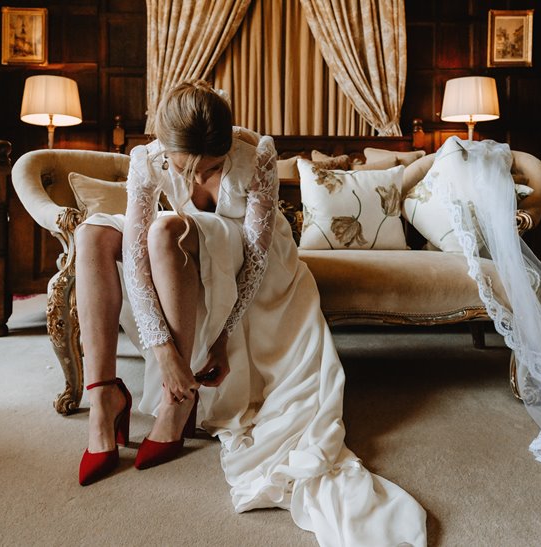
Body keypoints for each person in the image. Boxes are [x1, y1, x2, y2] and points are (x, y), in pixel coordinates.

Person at [74, 80, 427, 546]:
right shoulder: (147, 158)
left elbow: (257, 260)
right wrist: (163, 353)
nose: (198, 181)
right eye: (186, 169)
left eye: (212, 169)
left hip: (242, 253)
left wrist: (220, 337)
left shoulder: (256, 153)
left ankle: (177, 404)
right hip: (178, 240)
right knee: (93, 235)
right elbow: (134, 260)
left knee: (166, 233)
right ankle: (103, 402)